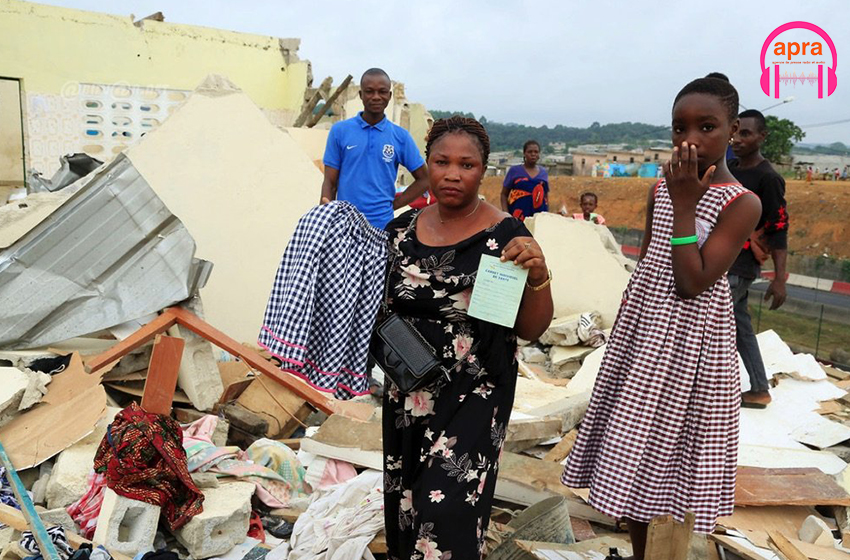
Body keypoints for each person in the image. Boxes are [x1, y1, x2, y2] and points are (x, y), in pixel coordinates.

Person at [561, 76, 761, 558]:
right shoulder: (662, 187)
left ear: (732, 130)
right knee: (632, 460)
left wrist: (689, 204)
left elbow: (692, 282)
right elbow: (650, 260)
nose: (690, 140)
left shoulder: (743, 203)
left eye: (707, 126)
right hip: (644, 335)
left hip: (689, 348)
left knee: (669, 463)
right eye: (679, 128)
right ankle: (638, 552)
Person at [382, 116, 554, 560]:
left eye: (467, 164)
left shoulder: (507, 236)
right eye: (441, 162)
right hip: (409, 392)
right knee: (407, 504)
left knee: (448, 513)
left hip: (476, 392)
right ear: (427, 164)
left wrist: (538, 276)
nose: (453, 174)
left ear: (484, 170)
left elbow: (531, 329)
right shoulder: (399, 232)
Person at [729, 109, 789, 408]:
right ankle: (759, 388)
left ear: (762, 137)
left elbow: (779, 228)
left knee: (710, 325)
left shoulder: (768, 178)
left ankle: (703, 391)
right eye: (735, 132)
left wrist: (780, 279)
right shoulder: (730, 169)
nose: (738, 139)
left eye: (746, 134)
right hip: (720, 260)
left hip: (738, 265)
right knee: (739, 326)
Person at [320, 68, 430, 229]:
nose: (376, 97)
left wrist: (394, 205)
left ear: (389, 96)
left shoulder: (400, 137)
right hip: (344, 225)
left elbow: (425, 179)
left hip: (381, 227)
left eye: (382, 92)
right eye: (369, 91)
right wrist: (324, 216)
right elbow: (330, 182)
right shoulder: (340, 131)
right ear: (361, 95)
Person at [500, 140, 549, 220]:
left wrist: (546, 215)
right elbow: (504, 194)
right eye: (530, 152)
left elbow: (545, 196)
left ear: (539, 154)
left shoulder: (543, 172)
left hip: (538, 217)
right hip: (517, 216)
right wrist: (506, 214)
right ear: (524, 153)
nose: (533, 154)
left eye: (536, 152)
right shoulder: (514, 171)